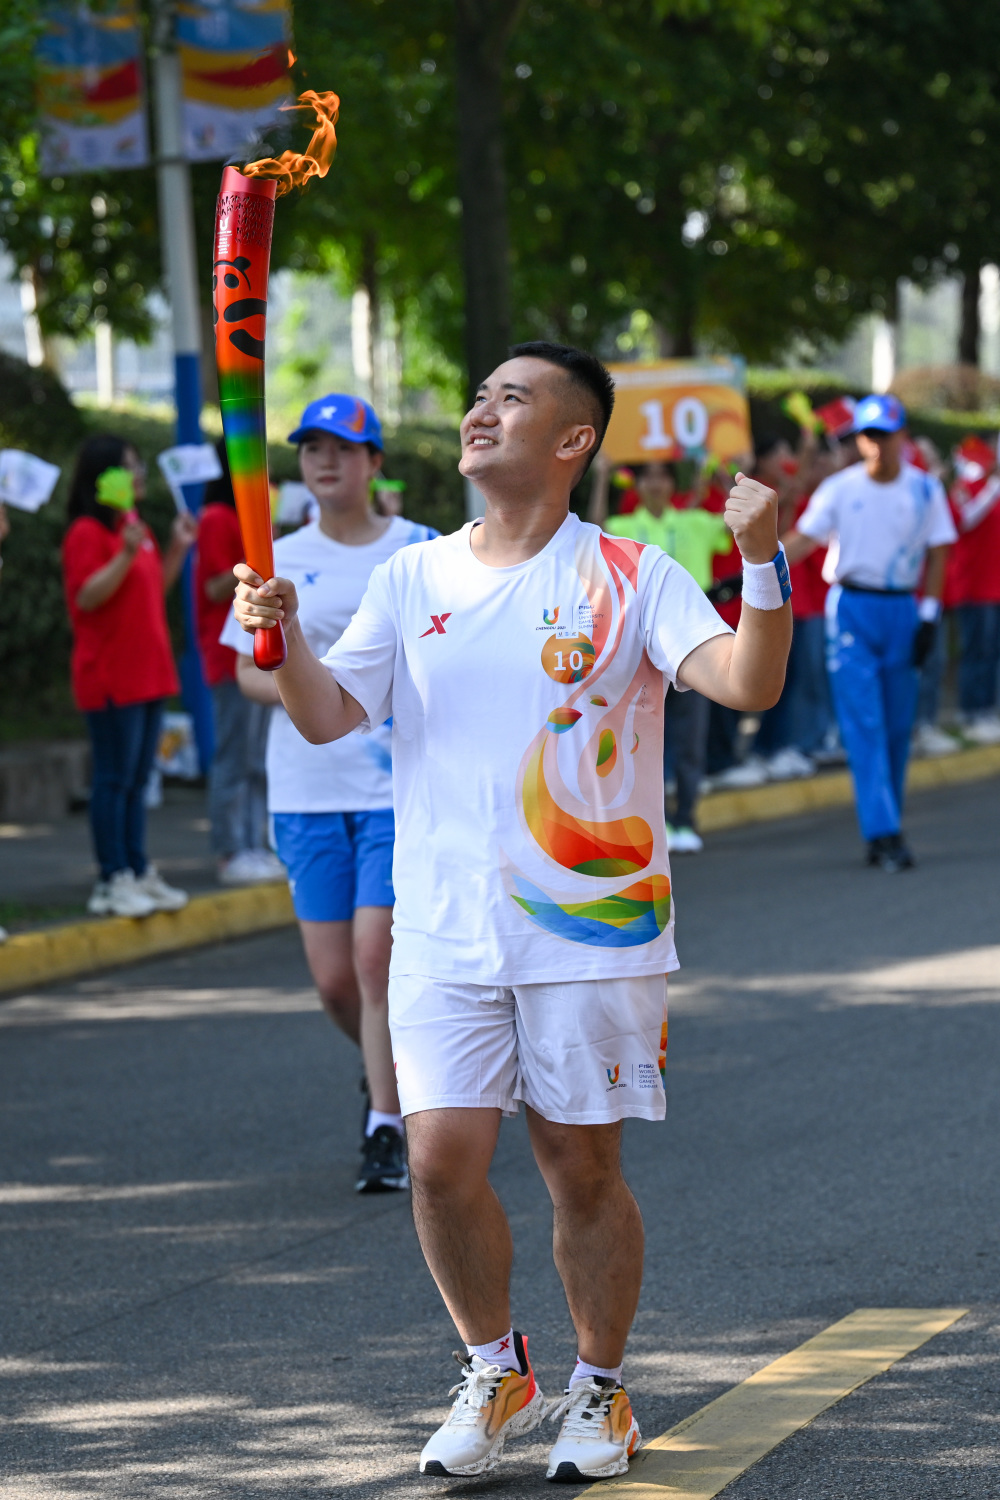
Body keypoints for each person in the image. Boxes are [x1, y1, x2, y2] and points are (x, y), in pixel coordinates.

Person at [232, 342, 790, 1483]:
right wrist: (280, 638)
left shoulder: (631, 573)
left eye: (512, 398)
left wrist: (763, 565)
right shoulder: (412, 576)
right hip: (442, 923)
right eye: (480, 396)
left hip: (590, 921)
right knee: (438, 1159)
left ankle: (600, 1388)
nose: (481, 412)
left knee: (577, 1168)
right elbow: (332, 716)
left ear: (573, 440)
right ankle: (496, 1367)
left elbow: (746, 682)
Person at [221, 394, 437, 1194]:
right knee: (336, 984)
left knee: (375, 959)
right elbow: (247, 668)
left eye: (344, 448)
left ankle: (388, 1125)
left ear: (375, 462)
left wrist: (367, 694)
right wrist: (317, 689)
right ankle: (386, 1071)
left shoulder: (421, 552)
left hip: (394, 792)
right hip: (308, 788)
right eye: (312, 447)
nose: (325, 461)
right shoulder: (273, 558)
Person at [782, 394, 957, 871]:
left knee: (899, 727)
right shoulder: (840, 489)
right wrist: (756, 567)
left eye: (886, 434)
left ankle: (887, 824)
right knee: (865, 723)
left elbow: (940, 549)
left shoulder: (923, 490)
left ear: (902, 436)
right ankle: (885, 832)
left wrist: (929, 615)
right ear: (860, 440)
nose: (878, 444)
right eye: (869, 436)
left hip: (902, 610)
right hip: (852, 609)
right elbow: (803, 539)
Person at [62, 434, 195, 917]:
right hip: (110, 676)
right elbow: (87, 597)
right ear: (103, 478)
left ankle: (137, 870)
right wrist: (122, 553)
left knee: (140, 780)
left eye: (138, 467)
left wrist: (177, 547)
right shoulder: (86, 533)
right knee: (114, 779)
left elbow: (151, 589)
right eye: (128, 468)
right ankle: (111, 877)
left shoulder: (134, 525)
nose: (138, 476)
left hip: (149, 672)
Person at [590, 455, 734, 852]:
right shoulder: (624, 528)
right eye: (647, 477)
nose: (655, 484)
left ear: (673, 485)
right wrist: (602, 479)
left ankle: (686, 817)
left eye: (662, 476)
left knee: (690, 734)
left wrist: (723, 477)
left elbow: (734, 524)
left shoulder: (693, 522)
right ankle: (644, 821)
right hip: (635, 639)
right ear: (637, 487)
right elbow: (595, 531)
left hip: (690, 637)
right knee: (635, 734)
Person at [194, 438, 283, 885]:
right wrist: (250, 567)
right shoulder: (215, 518)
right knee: (235, 756)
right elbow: (213, 587)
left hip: (253, 650)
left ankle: (253, 845)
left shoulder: (239, 518)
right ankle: (231, 852)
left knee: (255, 757)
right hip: (228, 652)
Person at [946, 436, 1000, 744]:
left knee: (990, 652)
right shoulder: (963, 489)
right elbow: (965, 521)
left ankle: (986, 710)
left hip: (994, 586)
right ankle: (970, 713)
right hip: (973, 587)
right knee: (975, 652)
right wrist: (992, 489)